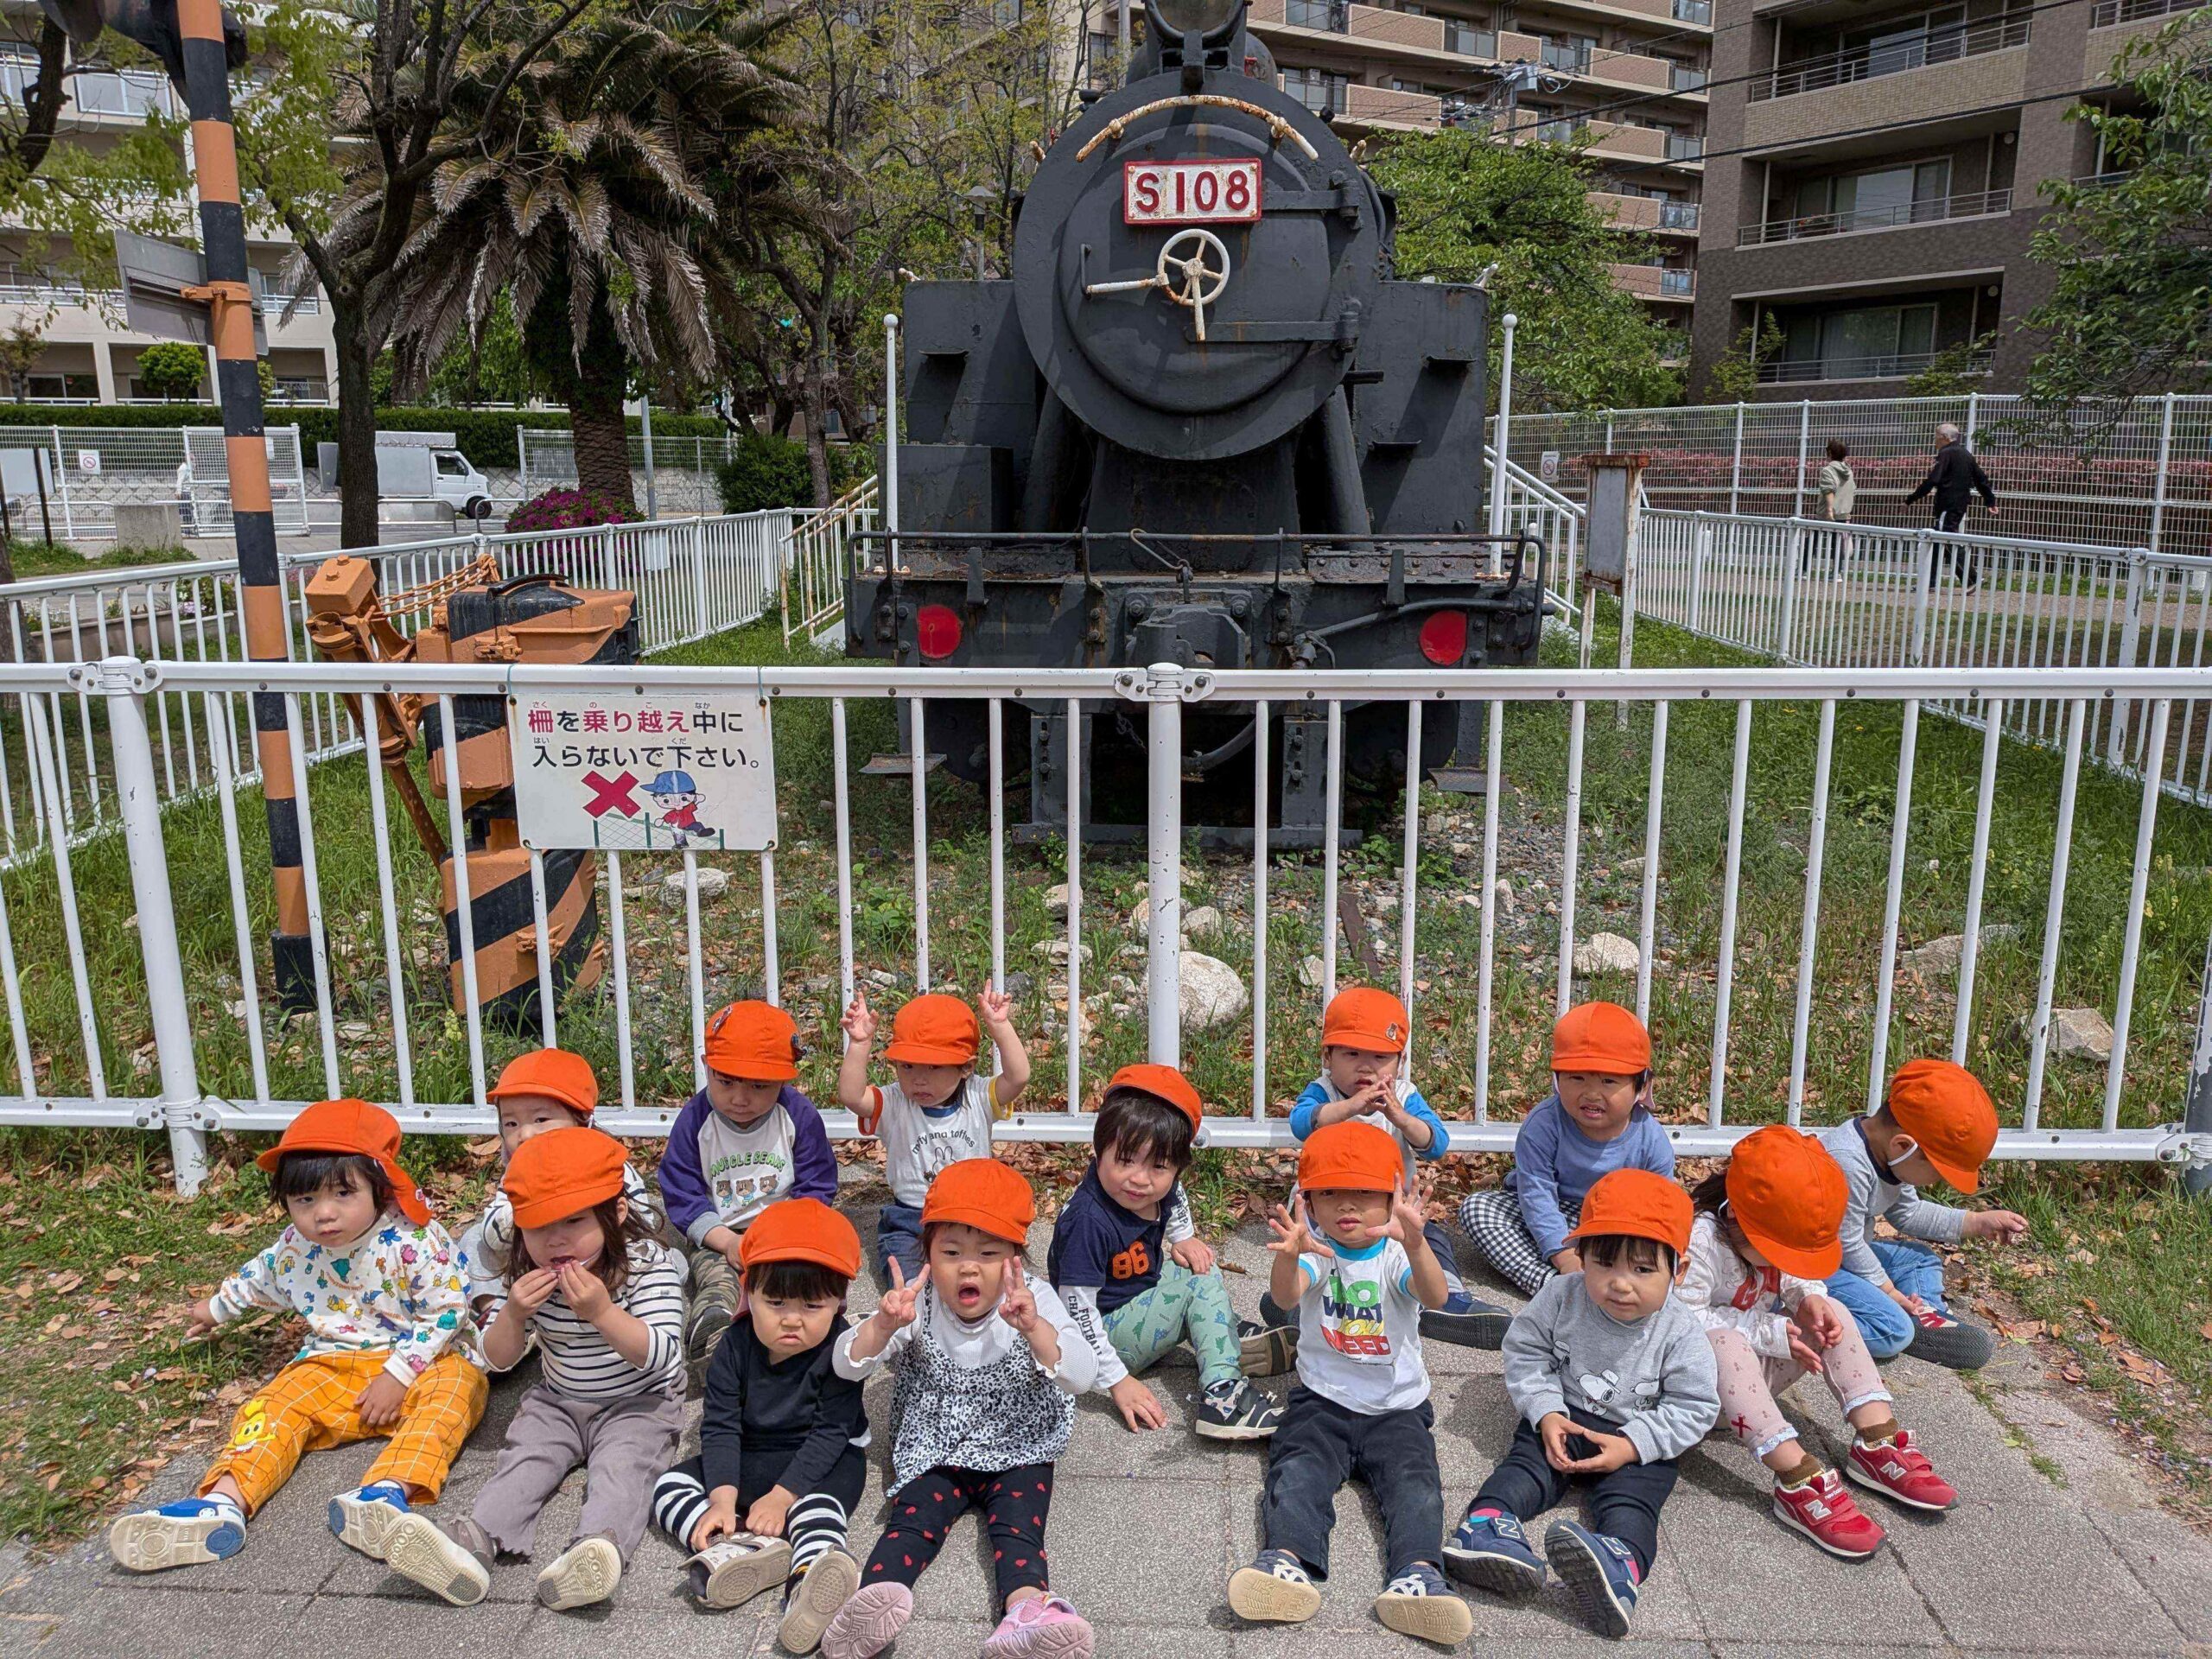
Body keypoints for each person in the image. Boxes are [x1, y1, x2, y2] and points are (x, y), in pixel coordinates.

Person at [108, 1100, 486, 1574]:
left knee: (460, 1389)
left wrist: (398, 1375)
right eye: (305, 1200)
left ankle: (386, 1495)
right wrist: (215, 1309)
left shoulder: (414, 1241)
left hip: (420, 1364)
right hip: (332, 1365)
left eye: (343, 1194)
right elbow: (261, 1276)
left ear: (379, 1187)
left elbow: (448, 1312)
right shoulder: (296, 1245)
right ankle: (222, 1503)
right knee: (274, 1405)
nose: (323, 1215)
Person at [381, 1126, 684, 1611]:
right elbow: (496, 1358)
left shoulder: (648, 1266)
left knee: (623, 1469)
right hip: (559, 1401)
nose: (555, 1240)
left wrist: (603, 1313)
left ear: (616, 1213)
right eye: (539, 1227)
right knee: (526, 1460)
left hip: (639, 1402)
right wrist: (513, 1314)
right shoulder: (529, 1273)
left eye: (574, 1221)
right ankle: (473, 1541)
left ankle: (596, 1548)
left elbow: (664, 1354)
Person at [821, 1159, 1099, 1659]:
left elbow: (1081, 1375)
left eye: (988, 1253)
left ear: (1015, 1258)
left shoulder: (1034, 1300)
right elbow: (845, 1365)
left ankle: (1027, 1614)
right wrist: (882, 1327)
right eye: (950, 1252)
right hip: (937, 1444)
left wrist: (1035, 1329)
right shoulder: (916, 1303)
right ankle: (872, 1600)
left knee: (1019, 1531)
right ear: (926, 1253)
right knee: (911, 1522)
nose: (968, 1268)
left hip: (1018, 1442)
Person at [1228, 1122, 1473, 1648]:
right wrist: (1290, 1254)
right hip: (1322, 1403)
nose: (1347, 1206)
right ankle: (1286, 1562)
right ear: (1308, 1202)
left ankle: (1418, 1576)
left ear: (1392, 1198)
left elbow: (1435, 1297)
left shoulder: (1394, 1255)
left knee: (1416, 1488)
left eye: (1365, 1193)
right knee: (1297, 1474)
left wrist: (1418, 1243)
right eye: (1330, 1193)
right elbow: (1286, 1298)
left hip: (1397, 1409)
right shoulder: (1318, 1250)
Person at [1445, 1170, 1718, 1638]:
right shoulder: (1560, 1295)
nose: (1621, 1284)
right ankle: (1487, 1526)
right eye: (1604, 1264)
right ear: (1581, 1257)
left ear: (1680, 1271)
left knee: (1634, 1501)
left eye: (1643, 1270)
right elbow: (1526, 1350)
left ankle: (1619, 1564)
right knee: (1527, 1465)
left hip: (1637, 1439)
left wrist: (1632, 1446)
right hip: (1565, 1417)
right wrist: (1546, 1411)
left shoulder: (1681, 1331)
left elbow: (1695, 1406)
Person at [1677, 1125, 1958, 1560]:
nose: (1788, 1263)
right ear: (1737, 1218)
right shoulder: (1699, 1242)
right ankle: (1796, 1477)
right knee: (1726, 1343)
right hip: (1693, 1392)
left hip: (1748, 1385)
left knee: (1835, 1313)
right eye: (1783, 1252)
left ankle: (1877, 1439)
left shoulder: (1767, 1233)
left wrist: (1809, 1298)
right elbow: (1681, 1319)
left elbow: (1794, 1273)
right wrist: (1769, 1331)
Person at [649, 1198, 871, 1654]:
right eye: (775, 1302)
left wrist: (782, 1497)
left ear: (839, 1303)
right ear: (748, 1291)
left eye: (812, 1305)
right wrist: (721, 1497)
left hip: (823, 1461)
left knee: (820, 1512)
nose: (791, 1318)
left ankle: (808, 1579)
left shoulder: (842, 1351)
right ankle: (732, 1544)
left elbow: (831, 1432)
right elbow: (721, 1424)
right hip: (751, 1452)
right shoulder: (734, 1345)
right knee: (667, 1487)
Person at [1049, 1063, 1281, 1441]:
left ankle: (1217, 1330)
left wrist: (1183, 1237)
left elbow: (1175, 1196)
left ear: (1176, 1167)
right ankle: (1223, 1397)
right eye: (1125, 1160)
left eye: (1159, 1166)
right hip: (1102, 1335)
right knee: (1198, 1287)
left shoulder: (1160, 1185)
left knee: (1201, 1265)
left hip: (1134, 1296)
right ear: (1098, 1149)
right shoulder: (1087, 1222)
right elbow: (1077, 1311)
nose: (1140, 1179)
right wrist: (1118, 1381)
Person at [1278, 986, 1509, 1347]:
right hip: (1329, 1212)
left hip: (1392, 1212)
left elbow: (1436, 1144)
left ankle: (1447, 1301)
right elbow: (1301, 1123)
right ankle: (1302, 1300)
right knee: (1314, 1248)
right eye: (1351, 1054)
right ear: (1327, 1057)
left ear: (1400, 1061)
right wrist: (1350, 1107)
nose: (1366, 1066)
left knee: (1430, 1239)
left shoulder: (1403, 1096)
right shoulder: (1323, 1092)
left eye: (1380, 1056)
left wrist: (1400, 1117)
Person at [661, 999, 839, 1377]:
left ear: (784, 1081)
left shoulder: (797, 1115)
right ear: (707, 1067)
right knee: (717, 1278)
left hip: (787, 1230)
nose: (740, 1098)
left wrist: (791, 1232)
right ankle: (715, 1329)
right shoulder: (695, 1121)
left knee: (799, 1277)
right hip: (721, 1232)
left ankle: (817, 1333)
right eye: (725, 1081)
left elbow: (817, 1181)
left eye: (759, 1086)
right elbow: (682, 1191)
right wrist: (726, 1241)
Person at [1458, 1001, 1675, 1300]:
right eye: (1577, 1078)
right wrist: (1564, 1258)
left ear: (1642, 1086)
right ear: (1557, 1078)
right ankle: (1558, 1290)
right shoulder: (1543, 1124)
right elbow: (1536, 1194)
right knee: (1478, 1209)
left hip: (1613, 1224)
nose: (1592, 1093)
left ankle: (1609, 1286)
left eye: (1609, 1081)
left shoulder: (1650, 1139)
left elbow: (1658, 1210)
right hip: (1550, 1210)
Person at [1819, 1058, 2026, 1368]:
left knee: (1917, 1259)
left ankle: (1924, 1318)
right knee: (1892, 1333)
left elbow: (1908, 1213)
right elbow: (1845, 1243)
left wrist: (1975, 1222)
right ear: (1904, 1145)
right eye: (1939, 1173)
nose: (1939, 1182)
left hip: (1848, 1257)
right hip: (1816, 1265)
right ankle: (1807, 1321)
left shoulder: (1887, 1154)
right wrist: (1888, 1291)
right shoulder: (1847, 1163)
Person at [836, 987, 1030, 1282]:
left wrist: (1000, 1027)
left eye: (934, 1067)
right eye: (907, 1066)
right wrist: (860, 1044)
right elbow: (852, 1096)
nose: (919, 1079)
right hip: (911, 1218)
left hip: (972, 1217)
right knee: (908, 1283)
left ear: (966, 1067)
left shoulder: (978, 1096)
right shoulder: (896, 1101)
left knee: (989, 1280)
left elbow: (1018, 1077)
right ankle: (914, 1305)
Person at [457, 1047, 664, 1324]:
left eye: (541, 1120)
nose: (525, 1134)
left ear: (582, 1119)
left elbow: (641, 1225)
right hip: (536, 1266)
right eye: (511, 1123)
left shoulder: (608, 1164)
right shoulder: (517, 1173)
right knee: (474, 1240)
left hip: (601, 1269)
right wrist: (531, 1216)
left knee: (663, 1258)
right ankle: (496, 1312)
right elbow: (494, 1233)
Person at [1905, 422, 1998, 589]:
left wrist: (1911, 499)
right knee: (1936, 540)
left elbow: (1933, 479)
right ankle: (1929, 582)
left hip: (1948, 504)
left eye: (1936, 436)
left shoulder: (1946, 453)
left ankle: (1971, 579)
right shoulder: (1966, 454)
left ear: (1944, 437)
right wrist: (1990, 500)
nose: (1934, 440)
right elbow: (1980, 479)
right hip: (1960, 504)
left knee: (1947, 538)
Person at [1816, 438, 1856, 524]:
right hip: (1845, 516)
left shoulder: (1828, 470)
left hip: (1828, 517)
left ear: (1830, 453)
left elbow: (1828, 491)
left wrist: (1829, 511)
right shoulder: (1849, 471)